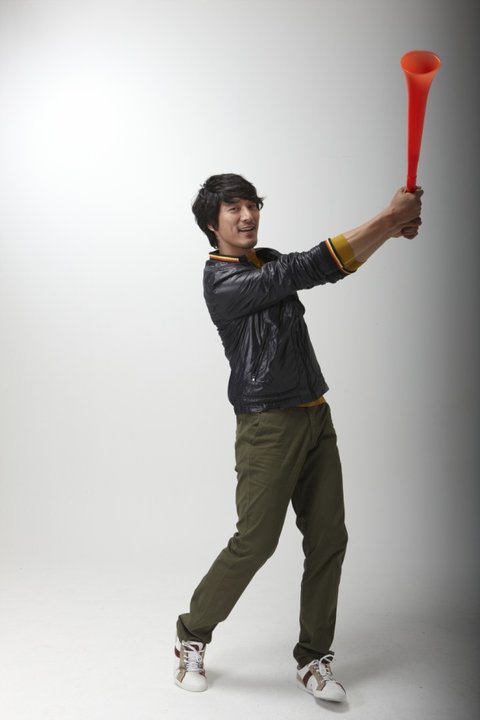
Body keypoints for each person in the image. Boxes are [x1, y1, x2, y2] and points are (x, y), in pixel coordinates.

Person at [174, 173, 423, 702]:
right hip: (267, 425)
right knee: (256, 541)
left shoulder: (263, 262)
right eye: (234, 208)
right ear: (212, 222)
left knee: (329, 539)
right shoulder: (222, 281)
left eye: (252, 205)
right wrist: (388, 218)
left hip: (315, 414)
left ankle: (313, 658)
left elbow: (329, 269)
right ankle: (192, 634)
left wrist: (388, 230)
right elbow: (308, 266)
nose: (248, 216)